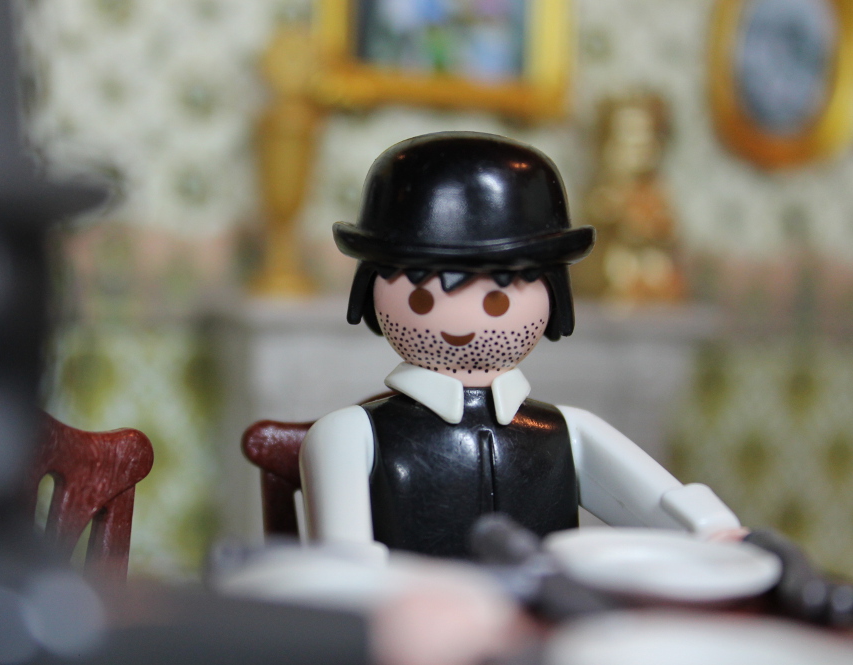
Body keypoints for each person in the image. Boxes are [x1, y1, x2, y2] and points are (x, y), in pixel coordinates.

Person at [299, 131, 742, 561]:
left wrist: (713, 530)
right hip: (416, 610)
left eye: (496, 300)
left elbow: (659, 505)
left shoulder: (567, 432)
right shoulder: (350, 434)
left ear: (554, 294)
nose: (463, 324)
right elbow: (344, 560)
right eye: (422, 299)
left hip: (548, 608)